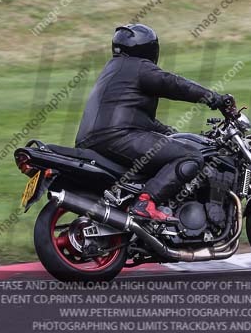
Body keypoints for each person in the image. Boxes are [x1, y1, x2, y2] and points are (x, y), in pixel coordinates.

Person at [75, 23, 235, 222]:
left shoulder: (113, 69)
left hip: (95, 139)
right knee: (190, 156)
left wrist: (169, 132)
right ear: (149, 48)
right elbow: (174, 84)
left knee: (170, 151)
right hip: (118, 136)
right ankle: (146, 203)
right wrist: (214, 99)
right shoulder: (139, 67)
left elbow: (137, 118)